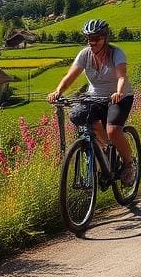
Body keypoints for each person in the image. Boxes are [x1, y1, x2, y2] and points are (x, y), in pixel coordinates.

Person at [48, 19, 136, 186]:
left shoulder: (116, 54)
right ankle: (103, 152)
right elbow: (70, 76)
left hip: (119, 97)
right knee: (83, 117)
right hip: (94, 97)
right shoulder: (85, 54)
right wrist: (58, 91)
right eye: (89, 38)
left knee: (113, 131)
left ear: (105, 38)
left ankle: (128, 163)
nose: (92, 42)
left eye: (96, 38)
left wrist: (118, 92)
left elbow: (122, 76)